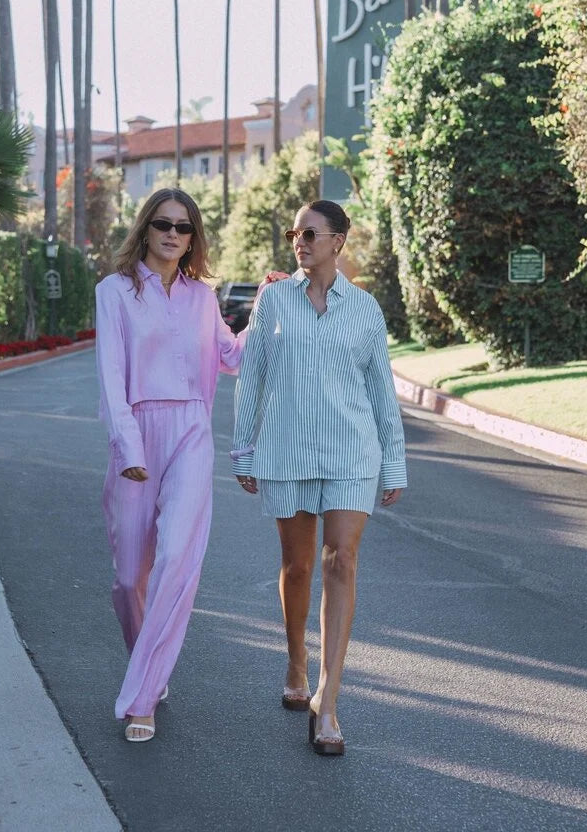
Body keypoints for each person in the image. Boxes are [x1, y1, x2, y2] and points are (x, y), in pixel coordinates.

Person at [231, 199, 407, 756]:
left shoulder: (365, 309)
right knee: (298, 565)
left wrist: (394, 461)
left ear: (338, 242)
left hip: (353, 452)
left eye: (309, 234)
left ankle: (327, 703)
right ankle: (295, 661)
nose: (299, 242)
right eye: (294, 234)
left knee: (342, 560)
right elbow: (252, 377)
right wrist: (244, 449)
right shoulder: (274, 300)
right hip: (286, 450)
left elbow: (381, 391)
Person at [95, 188, 250, 743]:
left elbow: (232, 356)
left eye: (183, 228)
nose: (172, 234)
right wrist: (130, 450)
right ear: (146, 228)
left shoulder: (202, 298)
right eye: (163, 223)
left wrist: (268, 309)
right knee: (127, 580)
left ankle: (143, 696)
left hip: (191, 431)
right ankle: (147, 664)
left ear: (192, 239)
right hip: (137, 432)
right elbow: (111, 377)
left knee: (177, 559)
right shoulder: (114, 291)